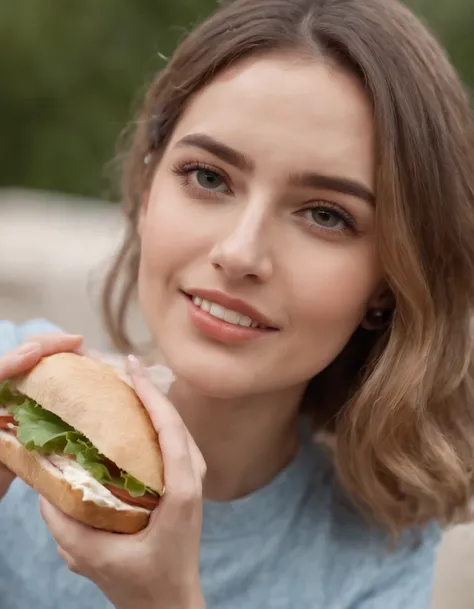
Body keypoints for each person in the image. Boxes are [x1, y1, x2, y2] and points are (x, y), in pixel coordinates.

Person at [1, 0, 474, 607]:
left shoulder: (372, 560)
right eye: (208, 177)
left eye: (325, 215)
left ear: (389, 280)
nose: (240, 252)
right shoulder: (15, 382)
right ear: (148, 190)